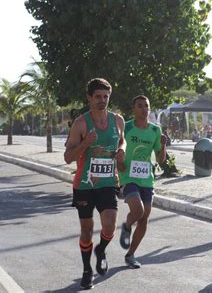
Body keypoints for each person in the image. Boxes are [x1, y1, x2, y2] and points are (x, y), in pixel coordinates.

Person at [64, 78, 126, 290]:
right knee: (87, 230)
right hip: (84, 185)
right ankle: (87, 270)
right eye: (98, 96)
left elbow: (122, 139)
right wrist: (86, 143)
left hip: (108, 182)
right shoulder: (81, 123)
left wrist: (122, 149)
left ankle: (101, 250)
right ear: (89, 98)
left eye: (106, 97)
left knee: (110, 225)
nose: (102, 100)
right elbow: (68, 157)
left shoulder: (117, 120)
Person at [118, 95, 166, 268]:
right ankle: (128, 224)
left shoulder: (155, 130)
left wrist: (163, 146)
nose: (144, 109)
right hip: (128, 176)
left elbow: (160, 160)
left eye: (146, 106)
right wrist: (118, 161)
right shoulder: (127, 127)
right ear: (133, 109)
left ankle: (130, 255)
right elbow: (118, 147)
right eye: (140, 106)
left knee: (144, 218)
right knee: (137, 211)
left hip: (147, 179)